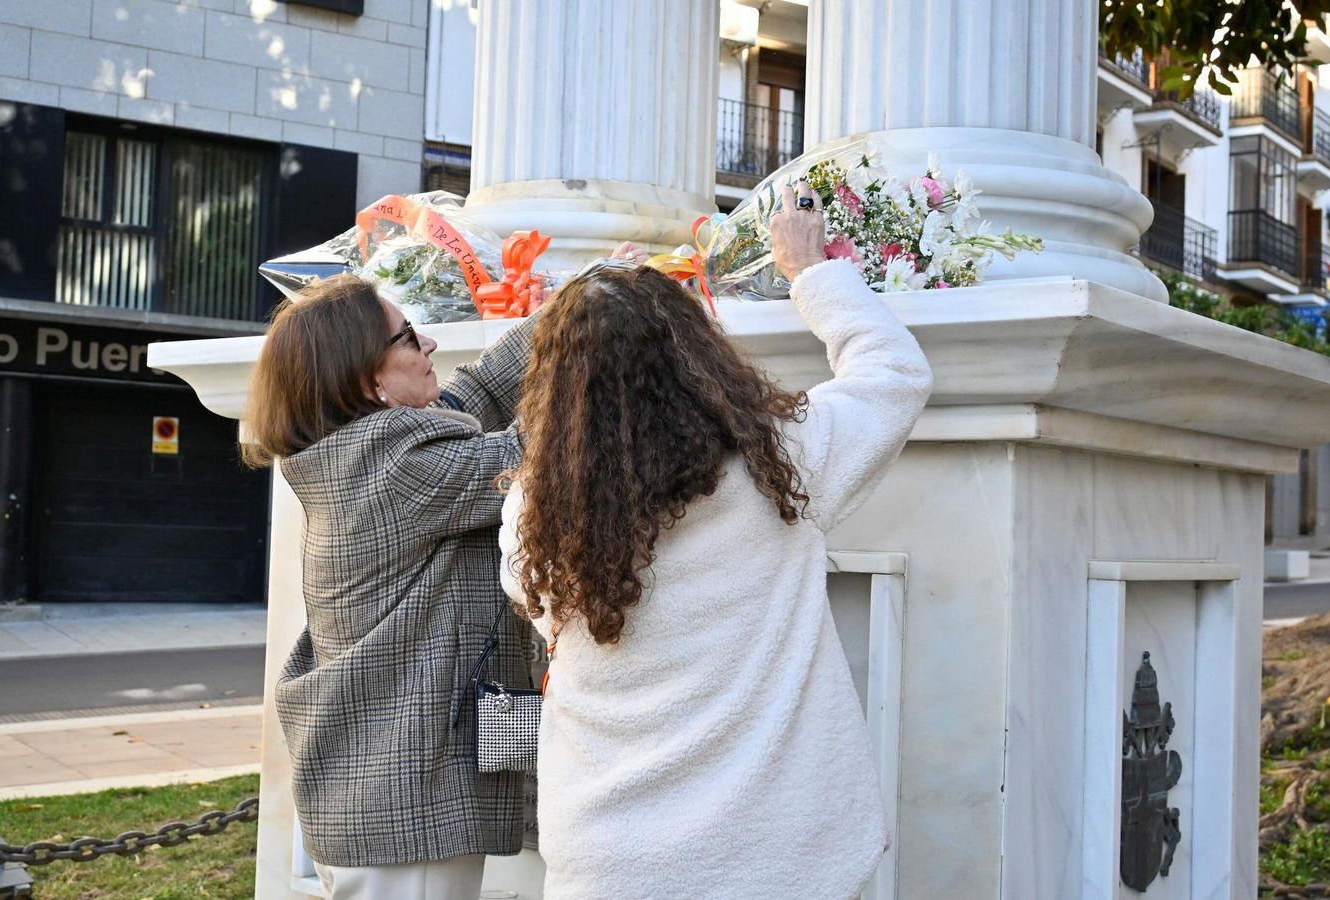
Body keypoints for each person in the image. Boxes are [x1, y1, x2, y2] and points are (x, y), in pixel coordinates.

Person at [497, 183, 934, 899]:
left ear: (557, 388)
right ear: (698, 354)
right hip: (783, 856)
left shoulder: (534, 511)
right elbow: (894, 373)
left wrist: (600, 305)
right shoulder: (782, 462)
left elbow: (542, 614)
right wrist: (810, 271)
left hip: (611, 861)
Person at [239, 272, 540, 900]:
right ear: (366, 379)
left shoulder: (364, 450)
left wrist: (575, 303)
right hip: (406, 808)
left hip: (380, 792)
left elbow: (478, 393)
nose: (428, 343)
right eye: (407, 338)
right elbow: (541, 452)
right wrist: (609, 332)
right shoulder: (395, 461)